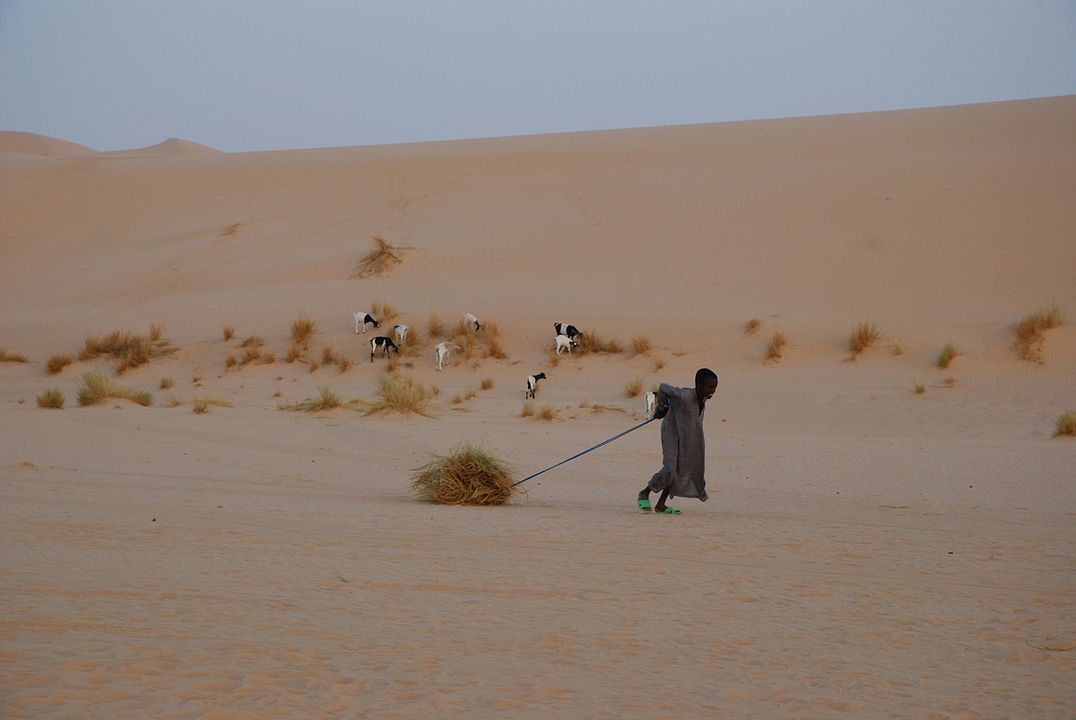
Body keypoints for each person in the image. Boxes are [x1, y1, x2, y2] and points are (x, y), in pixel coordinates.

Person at [637, 368, 718, 515]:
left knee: (680, 469)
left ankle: (661, 505)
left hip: (687, 436)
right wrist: (662, 407)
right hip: (671, 434)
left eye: (715, 387)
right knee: (670, 468)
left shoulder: (703, 398)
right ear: (698, 385)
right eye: (710, 386)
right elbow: (663, 388)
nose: (713, 390)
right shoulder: (684, 395)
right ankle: (645, 493)